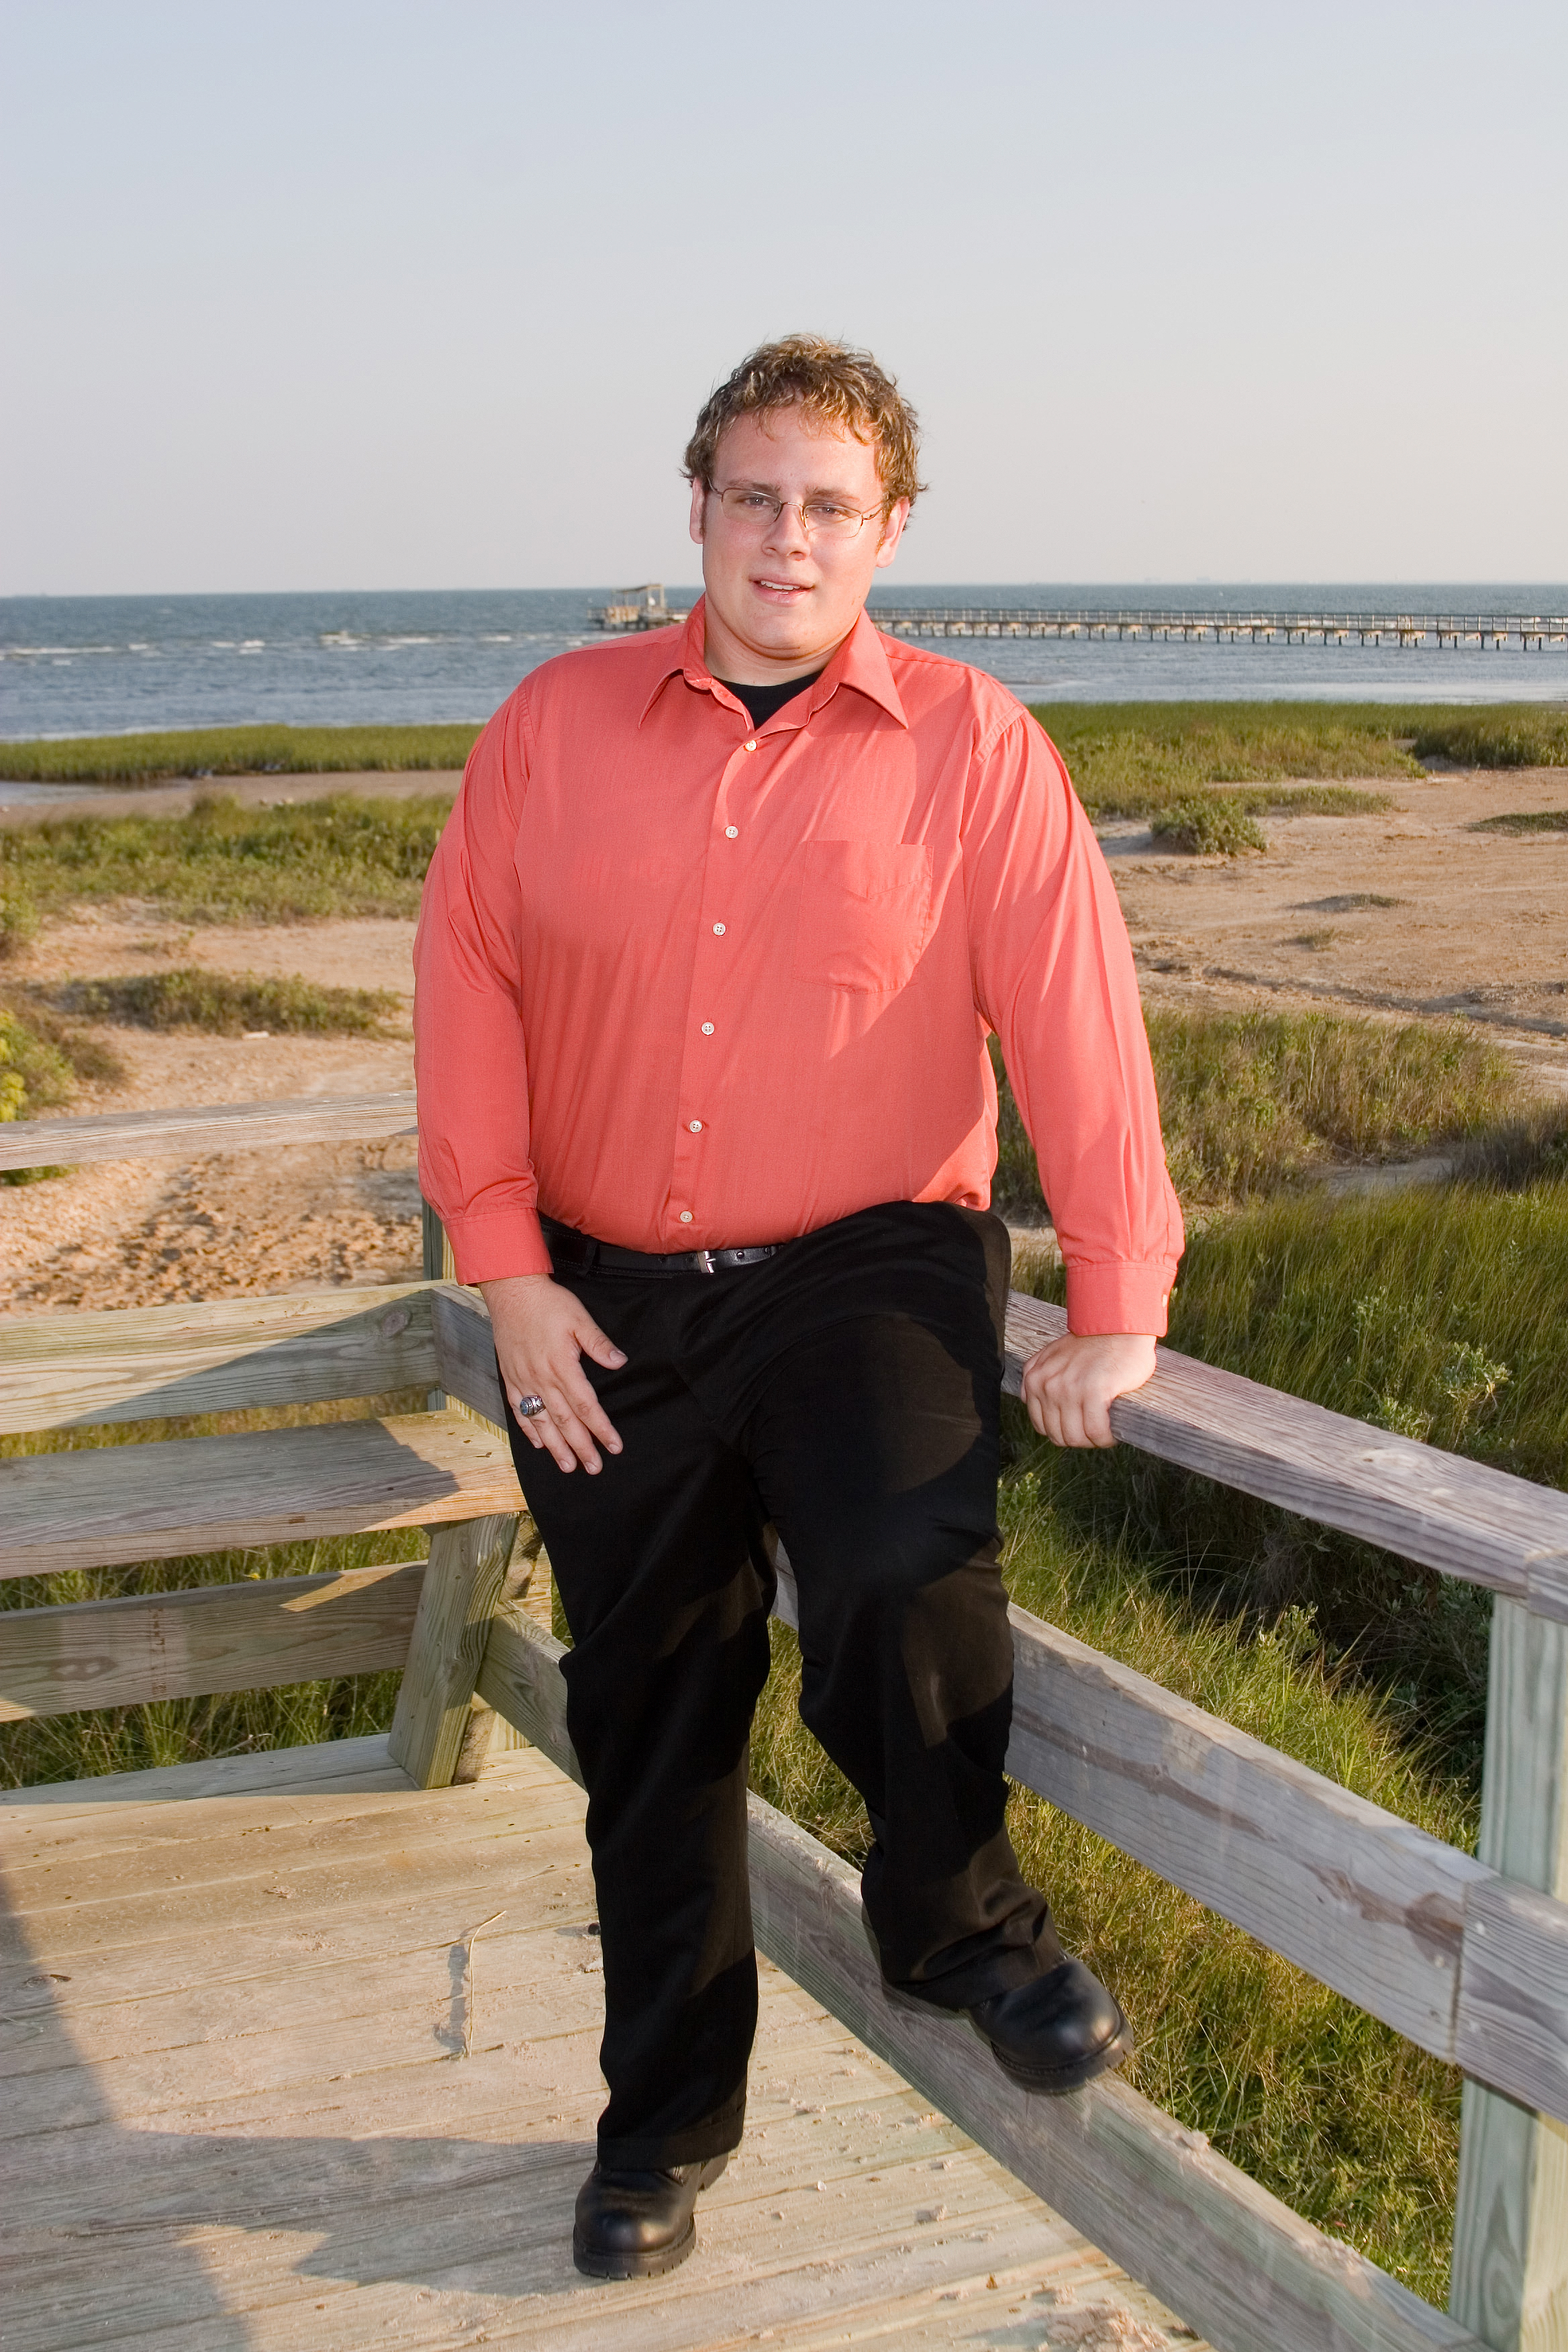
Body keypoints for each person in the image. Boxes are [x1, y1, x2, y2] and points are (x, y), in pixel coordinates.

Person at [413, 335, 1183, 2283]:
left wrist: (1119, 1292)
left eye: (829, 504)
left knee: (901, 1561)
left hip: (868, 1262)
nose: (786, 536)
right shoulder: (552, 724)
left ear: (889, 528)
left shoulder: (978, 745)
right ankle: (660, 2128)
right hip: (600, 1297)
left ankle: (957, 1920)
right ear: (698, 506)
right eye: (754, 495)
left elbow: (1076, 1018)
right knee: (651, 1709)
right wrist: (506, 1270)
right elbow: (467, 986)